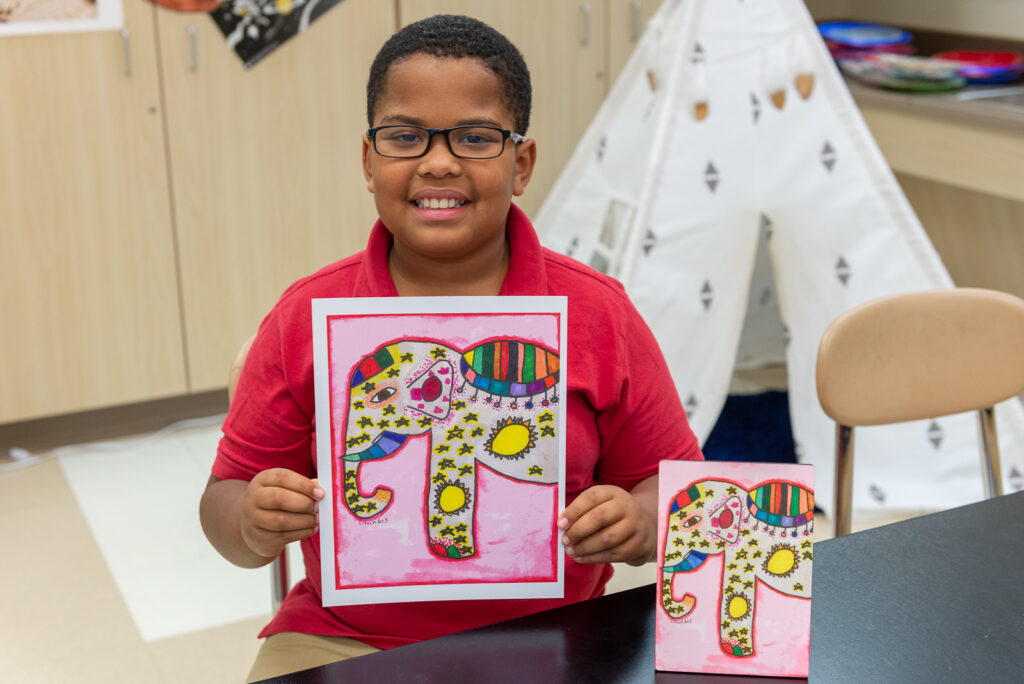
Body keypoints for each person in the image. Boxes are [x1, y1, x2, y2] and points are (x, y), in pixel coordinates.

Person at [200, 14, 703, 682]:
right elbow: (221, 502)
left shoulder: (598, 315)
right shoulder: (305, 317)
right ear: (368, 160)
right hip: (345, 637)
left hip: (558, 635)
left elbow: (682, 499)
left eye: (474, 138)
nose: (438, 161)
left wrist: (638, 521)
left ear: (521, 164)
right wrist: (251, 520)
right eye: (405, 137)